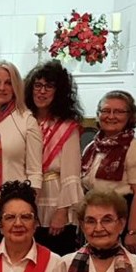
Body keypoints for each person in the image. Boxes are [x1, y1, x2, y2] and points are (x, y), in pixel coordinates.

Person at [0, 61, 42, 245]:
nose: (2, 88)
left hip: (13, 209)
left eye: (8, 82)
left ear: (16, 87)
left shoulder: (26, 120)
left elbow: (35, 172)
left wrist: (27, 208)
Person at [80, 90, 136, 254]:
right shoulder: (92, 147)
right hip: (95, 217)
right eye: (106, 111)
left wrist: (132, 232)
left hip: (120, 219)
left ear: (130, 116)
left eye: (119, 111)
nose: (111, 116)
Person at [24, 61, 84, 255]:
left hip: (54, 200)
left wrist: (61, 212)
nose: (42, 92)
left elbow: (71, 173)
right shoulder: (24, 119)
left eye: (49, 86)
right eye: (38, 85)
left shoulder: (67, 127)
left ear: (59, 92)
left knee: (53, 256)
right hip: (28, 194)